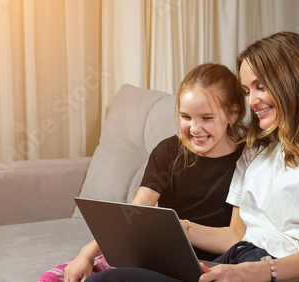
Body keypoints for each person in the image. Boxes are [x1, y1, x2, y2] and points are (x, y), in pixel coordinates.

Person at [87, 32, 299, 282]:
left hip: (273, 270)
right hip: (235, 258)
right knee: (107, 280)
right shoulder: (258, 149)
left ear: (293, 80)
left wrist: (262, 271)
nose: (251, 101)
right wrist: (178, 228)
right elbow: (235, 234)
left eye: (260, 87)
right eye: (246, 91)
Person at [38, 63, 248, 282]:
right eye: (186, 117)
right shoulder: (169, 151)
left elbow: (233, 238)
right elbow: (134, 213)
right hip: (159, 257)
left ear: (232, 114)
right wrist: (87, 253)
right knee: (52, 279)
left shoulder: (246, 160)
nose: (194, 129)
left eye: (207, 118)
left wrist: (182, 227)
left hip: (214, 265)